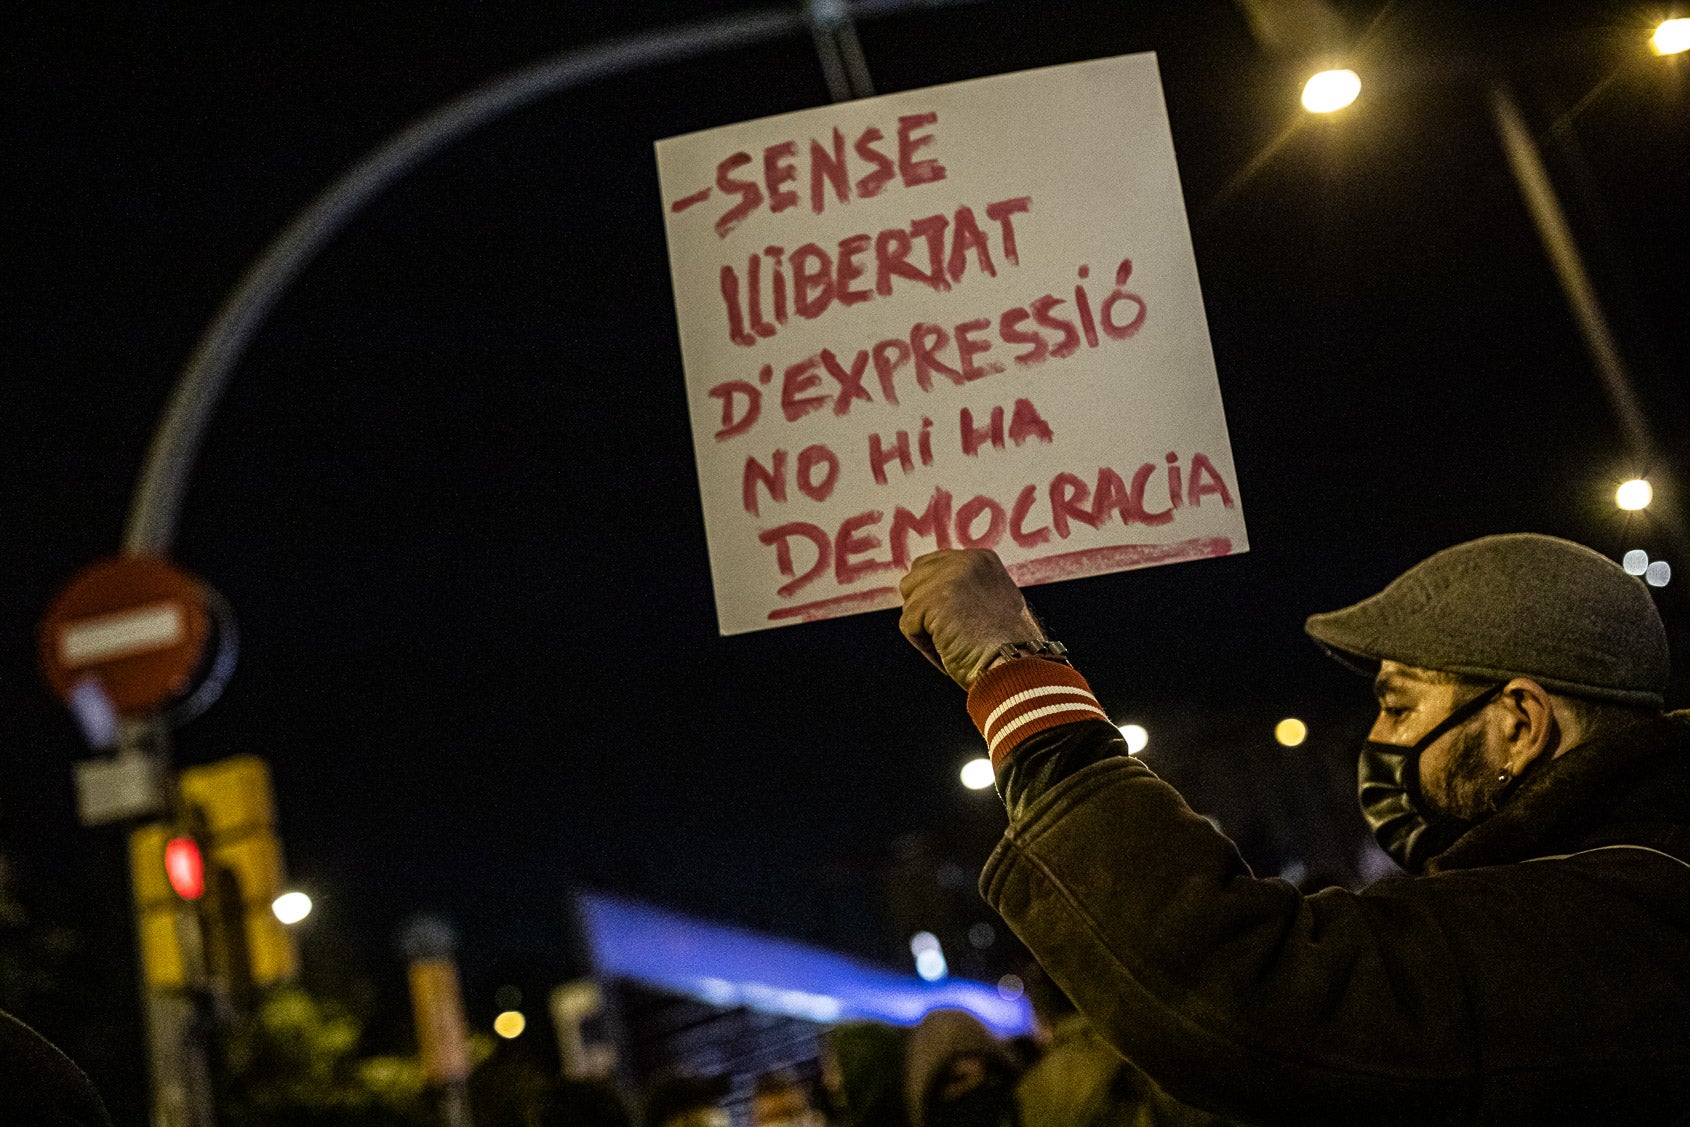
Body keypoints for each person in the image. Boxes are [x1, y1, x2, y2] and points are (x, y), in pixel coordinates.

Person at [896, 534, 1690, 1124]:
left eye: (1400, 704)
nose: (1378, 740)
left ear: (1519, 722)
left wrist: (1015, 675)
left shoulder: (1613, 919)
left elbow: (1243, 987)